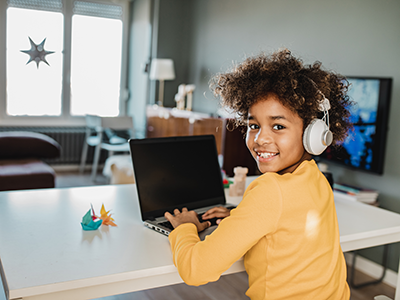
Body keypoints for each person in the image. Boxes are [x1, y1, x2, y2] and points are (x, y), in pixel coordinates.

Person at [164, 49, 352, 299]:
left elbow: (196, 270)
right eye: (254, 125)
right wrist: (239, 215)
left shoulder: (270, 191)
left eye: (278, 126)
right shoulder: (315, 177)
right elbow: (288, 218)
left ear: (312, 133)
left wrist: (185, 228)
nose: (261, 138)